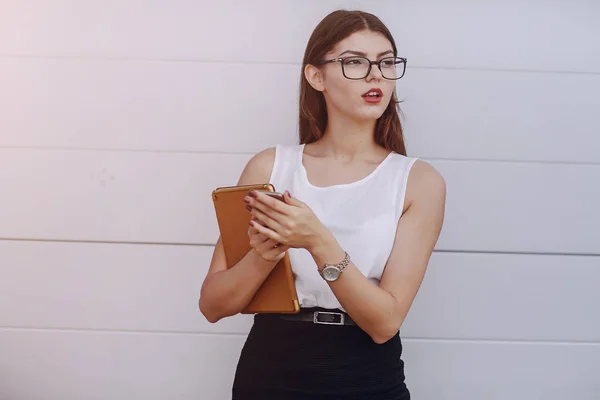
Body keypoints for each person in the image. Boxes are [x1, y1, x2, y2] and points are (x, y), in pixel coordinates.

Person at [199, 9, 446, 400]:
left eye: (385, 62)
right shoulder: (270, 167)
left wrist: (318, 241)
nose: (375, 75)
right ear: (316, 77)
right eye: (354, 62)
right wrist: (264, 256)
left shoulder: (417, 182)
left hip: (365, 376)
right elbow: (212, 305)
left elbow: (385, 322)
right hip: (269, 371)